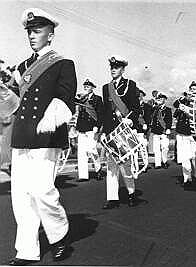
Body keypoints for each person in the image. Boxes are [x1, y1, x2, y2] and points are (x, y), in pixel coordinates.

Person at [1, 8, 77, 265]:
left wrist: (49, 120)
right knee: (21, 195)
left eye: (37, 31)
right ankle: (26, 251)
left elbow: (65, 97)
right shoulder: (21, 67)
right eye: (29, 32)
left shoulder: (63, 64)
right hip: (22, 134)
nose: (32, 36)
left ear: (50, 34)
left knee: (43, 191)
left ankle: (59, 235)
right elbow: (17, 102)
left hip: (46, 135)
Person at [100, 55, 140, 209]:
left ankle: (131, 193)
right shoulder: (106, 88)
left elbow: (136, 108)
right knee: (111, 166)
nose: (113, 70)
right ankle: (112, 198)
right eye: (112, 68)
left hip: (124, 130)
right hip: (111, 131)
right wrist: (104, 130)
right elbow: (104, 111)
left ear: (123, 70)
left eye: (116, 68)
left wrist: (130, 119)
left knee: (126, 164)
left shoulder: (130, 85)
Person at [173, 82, 196, 188]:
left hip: (194, 133)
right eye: (191, 89)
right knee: (184, 157)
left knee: (195, 157)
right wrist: (184, 97)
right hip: (182, 132)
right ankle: (187, 178)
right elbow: (175, 104)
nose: (192, 90)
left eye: (195, 89)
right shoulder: (183, 100)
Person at [75, 79, 103, 181]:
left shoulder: (97, 99)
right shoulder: (81, 98)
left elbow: (100, 114)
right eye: (85, 85)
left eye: (88, 86)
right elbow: (79, 115)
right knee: (82, 152)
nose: (86, 87)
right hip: (82, 128)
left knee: (92, 150)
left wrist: (98, 126)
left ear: (92, 88)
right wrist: (76, 127)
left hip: (92, 128)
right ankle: (83, 175)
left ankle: (98, 168)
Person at [150, 93, 172, 169]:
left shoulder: (168, 109)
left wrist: (168, 128)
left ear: (165, 100)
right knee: (156, 149)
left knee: (165, 147)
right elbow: (150, 115)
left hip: (163, 131)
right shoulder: (155, 109)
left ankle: (165, 161)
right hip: (156, 131)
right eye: (158, 98)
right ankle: (158, 163)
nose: (159, 99)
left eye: (161, 98)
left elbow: (169, 120)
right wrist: (155, 105)